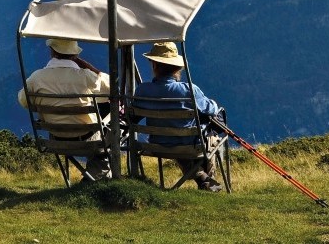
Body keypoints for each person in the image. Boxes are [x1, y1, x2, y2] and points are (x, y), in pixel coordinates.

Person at [133, 41, 225, 191]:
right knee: (212, 137)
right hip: (189, 146)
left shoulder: (142, 90)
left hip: (157, 144)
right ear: (177, 67)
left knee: (177, 138)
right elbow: (212, 109)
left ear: (154, 65)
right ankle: (209, 181)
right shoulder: (189, 90)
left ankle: (202, 178)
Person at [17, 37, 112, 180]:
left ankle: (95, 176)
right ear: (75, 55)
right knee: (114, 121)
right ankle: (96, 176)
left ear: (52, 52)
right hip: (86, 139)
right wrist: (86, 66)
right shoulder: (85, 76)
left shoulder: (37, 77)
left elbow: (23, 100)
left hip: (56, 138)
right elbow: (112, 89)